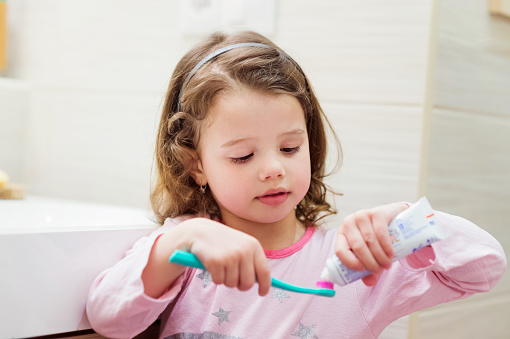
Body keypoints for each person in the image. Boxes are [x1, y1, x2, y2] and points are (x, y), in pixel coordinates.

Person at [86, 31, 506, 339]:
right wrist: (184, 242)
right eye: (243, 156)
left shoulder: (354, 267)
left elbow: (484, 267)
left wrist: (406, 223)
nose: (272, 169)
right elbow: (109, 319)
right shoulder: (185, 249)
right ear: (195, 164)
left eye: (289, 148)